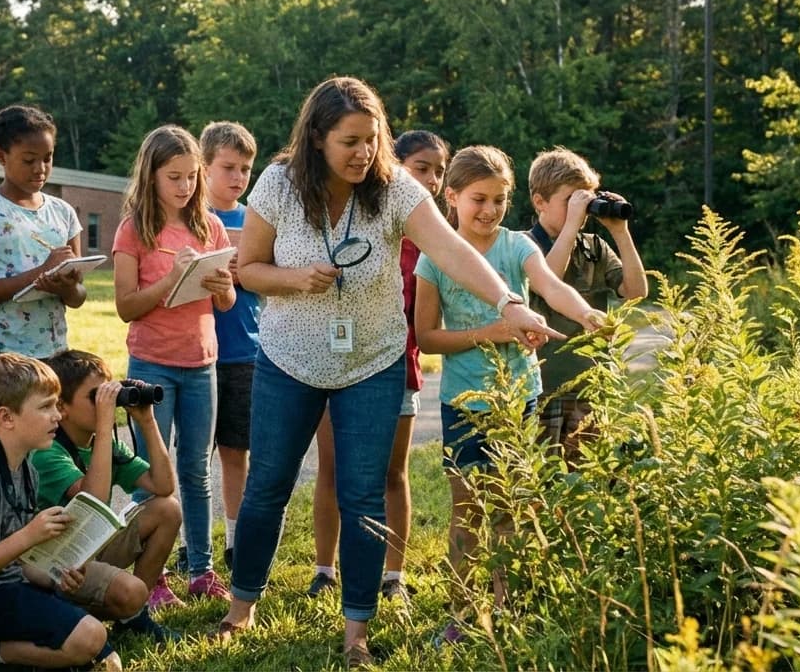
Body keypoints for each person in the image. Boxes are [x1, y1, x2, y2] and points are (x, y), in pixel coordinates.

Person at [216, 77, 572, 668]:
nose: (362, 153)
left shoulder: (395, 189)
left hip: (373, 361)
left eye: (371, 139)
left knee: (363, 495)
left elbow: (454, 251)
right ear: (317, 139)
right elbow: (248, 268)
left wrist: (508, 301)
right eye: (348, 141)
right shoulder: (278, 184)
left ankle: (357, 629)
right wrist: (293, 279)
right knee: (267, 487)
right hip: (288, 358)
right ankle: (242, 603)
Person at [413, 145, 607, 643]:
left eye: (499, 199)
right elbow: (429, 338)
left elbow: (551, 286)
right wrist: (494, 332)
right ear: (451, 196)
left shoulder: (518, 245)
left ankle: (508, 607)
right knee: (468, 509)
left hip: (521, 398)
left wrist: (586, 313)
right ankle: (459, 613)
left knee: (514, 508)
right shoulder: (435, 259)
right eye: (478, 199)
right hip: (465, 404)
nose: (489, 210)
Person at [310, 129, 449, 602]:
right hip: (338, 366)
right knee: (332, 468)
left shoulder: (432, 243)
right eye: (421, 168)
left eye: (438, 171)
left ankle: (394, 576)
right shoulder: (366, 225)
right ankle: (325, 569)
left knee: (393, 475)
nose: (430, 180)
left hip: (399, 372)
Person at [0, 353, 121, 671]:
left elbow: (17, 564)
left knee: (101, 652)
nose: (57, 416)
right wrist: (29, 535)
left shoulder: (26, 465)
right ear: (6, 417)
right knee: (89, 638)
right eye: (45, 407)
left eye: (57, 405)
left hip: (6, 585)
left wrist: (56, 576)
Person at [112, 125, 235, 600]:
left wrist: (224, 289)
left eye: (190, 177)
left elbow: (223, 304)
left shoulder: (209, 226)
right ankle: (155, 577)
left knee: (196, 472)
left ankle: (201, 571)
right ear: (151, 176)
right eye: (173, 177)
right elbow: (125, 306)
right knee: (151, 473)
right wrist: (170, 283)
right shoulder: (133, 230)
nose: (184, 187)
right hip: (152, 365)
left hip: (203, 363)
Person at [33, 349, 184, 638]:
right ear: (61, 407)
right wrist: (104, 427)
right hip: (56, 566)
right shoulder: (47, 451)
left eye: (109, 393)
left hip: (88, 546)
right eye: (96, 397)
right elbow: (92, 503)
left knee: (168, 509)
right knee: (131, 591)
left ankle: (132, 618)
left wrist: (147, 422)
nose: (108, 403)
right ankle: (77, 608)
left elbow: (164, 486)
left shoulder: (102, 444)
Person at [0, 105, 87, 445]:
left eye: (47, 158)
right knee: (0, 452)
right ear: (2, 155)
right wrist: (39, 275)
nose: (41, 168)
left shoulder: (62, 213)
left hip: (53, 355)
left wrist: (66, 286)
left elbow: (78, 297)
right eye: (29, 159)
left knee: (48, 455)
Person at [525, 147, 648, 462]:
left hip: (590, 387)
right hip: (543, 389)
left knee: (588, 481)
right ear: (540, 202)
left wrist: (620, 232)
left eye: (586, 199)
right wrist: (569, 227)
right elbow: (547, 279)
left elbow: (636, 290)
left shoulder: (594, 247)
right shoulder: (523, 246)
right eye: (571, 201)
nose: (581, 209)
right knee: (542, 479)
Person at [200, 120, 260, 571]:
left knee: (236, 452)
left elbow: (273, 279)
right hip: (194, 353)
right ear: (204, 168)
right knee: (193, 458)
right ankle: (192, 541)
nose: (238, 177)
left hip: (244, 351)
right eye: (228, 167)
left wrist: (249, 271)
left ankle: (237, 542)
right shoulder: (189, 218)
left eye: (245, 168)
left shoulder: (256, 219)